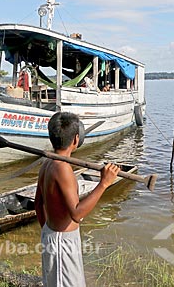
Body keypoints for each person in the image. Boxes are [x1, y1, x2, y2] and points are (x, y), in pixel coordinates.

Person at [34, 112, 120, 287]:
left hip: (53, 235)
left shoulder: (47, 163)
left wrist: (47, 231)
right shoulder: (62, 169)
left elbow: (38, 203)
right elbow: (77, 214)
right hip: (62, 240)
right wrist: (103, 183)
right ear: (76, 140)